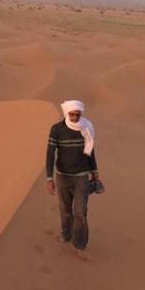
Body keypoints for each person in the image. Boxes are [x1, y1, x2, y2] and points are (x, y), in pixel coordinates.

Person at [45, 99, 99, 255]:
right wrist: (49, 179)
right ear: (66, 113)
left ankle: (79, 243)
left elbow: (90, 151)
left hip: (81, 176)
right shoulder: (56, 129)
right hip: (62, 176)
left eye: (78, 114)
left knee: (80, 211)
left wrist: (94, 171)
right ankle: (65, 233)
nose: (75, 117)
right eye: (72, 114)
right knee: (65, 210)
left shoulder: (86, 128)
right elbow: (50, 154)